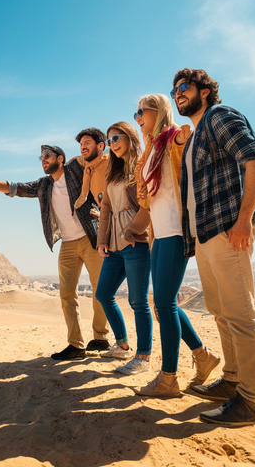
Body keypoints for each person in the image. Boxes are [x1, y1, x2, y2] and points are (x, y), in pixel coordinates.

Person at [173, 68, 255, 426]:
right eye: (174, 90)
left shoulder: (219, 115)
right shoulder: (198, 132)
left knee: (241, 316)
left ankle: (250, 403)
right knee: (221, 311)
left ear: (206, 90)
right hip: (205, 236)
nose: (178, 93)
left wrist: (244, 219)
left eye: (184, 87)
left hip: (229, 230)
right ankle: (231, 382)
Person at [0, 142, 110, 361]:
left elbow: (94, 161)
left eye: (47, 156)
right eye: (40, 157)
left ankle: (100, 337)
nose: (43, 160)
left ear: (60, 158)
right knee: (67, 295)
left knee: (101, 290)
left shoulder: (75, 172)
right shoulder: (44, 185)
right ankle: (76, 345)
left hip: (90, 238)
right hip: (67, 244)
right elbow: (14, 188)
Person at [132, 94, 220, 397]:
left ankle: (168, 379)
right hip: (160, 234)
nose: (138, 117)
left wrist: (182, 135)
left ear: (159, 112)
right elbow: (148, 198)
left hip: (177, 230)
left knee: (165, 304)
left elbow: (187, 142)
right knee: (163, 304)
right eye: (136, 113)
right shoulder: (150, 150)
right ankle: (203, 356)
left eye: (142, 111)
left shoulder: (173, 138)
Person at [94, 122, 153, 375]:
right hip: (115, 246)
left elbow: (148, 204)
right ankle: (122, 344)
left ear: (130, 138)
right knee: (103, 293)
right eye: (109, 140)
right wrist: (102, 239)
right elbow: (105, 207)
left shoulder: (142, 166)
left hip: (135, 242)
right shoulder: (113, 172)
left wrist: (132, 230)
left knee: (138, 301)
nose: (113, 143)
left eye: (116, 138)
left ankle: (143, 357)